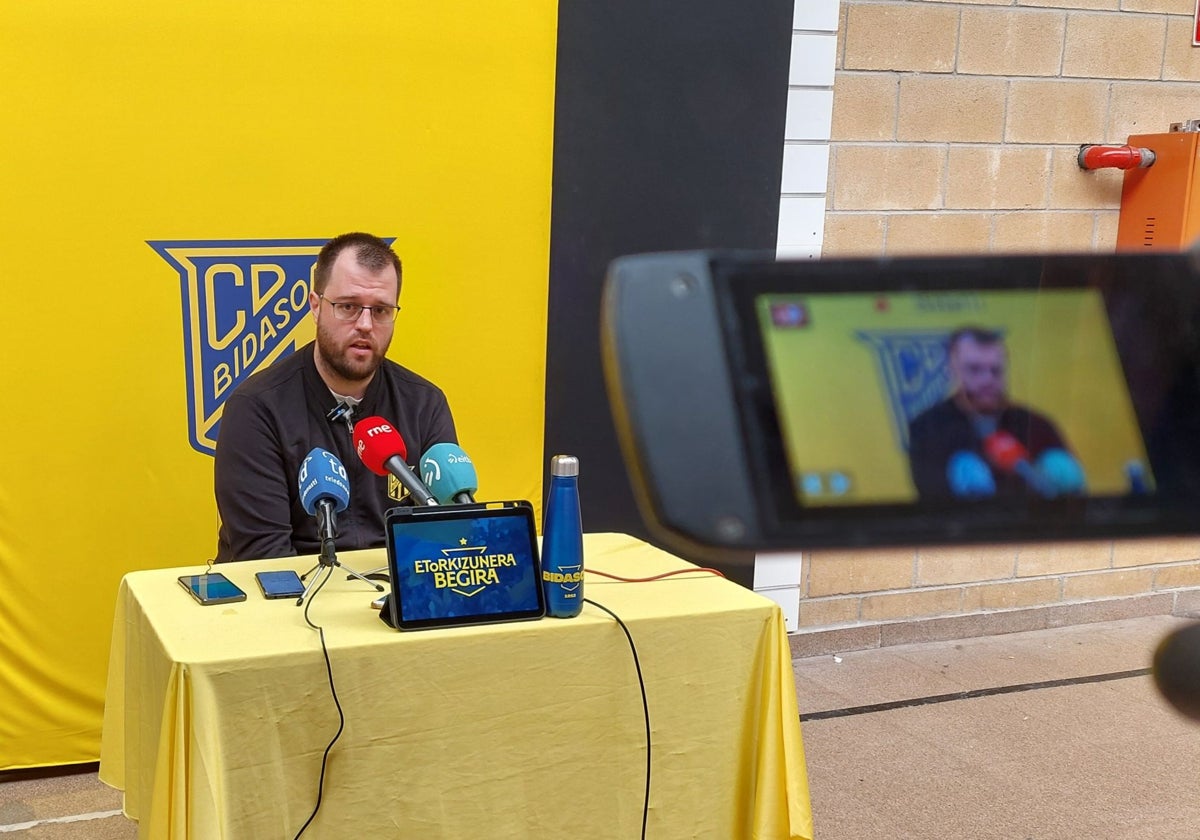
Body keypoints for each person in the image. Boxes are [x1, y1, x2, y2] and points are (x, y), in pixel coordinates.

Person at [213, 232, 458, 562]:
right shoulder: (257, 409)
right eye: (348, 307)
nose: (366, 325)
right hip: (295, 599)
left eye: (382, 310)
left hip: (393, 600)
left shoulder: (424, 404)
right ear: (316, 307)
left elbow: (445, 537)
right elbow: (264, 557)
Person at [907, 326, 1075, 500]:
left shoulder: (1037, 424)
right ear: (952, 370)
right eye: (974, 370)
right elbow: (932, 499)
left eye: (996, 370)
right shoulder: (928, 428)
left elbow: (1071, 499)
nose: (987, 380)